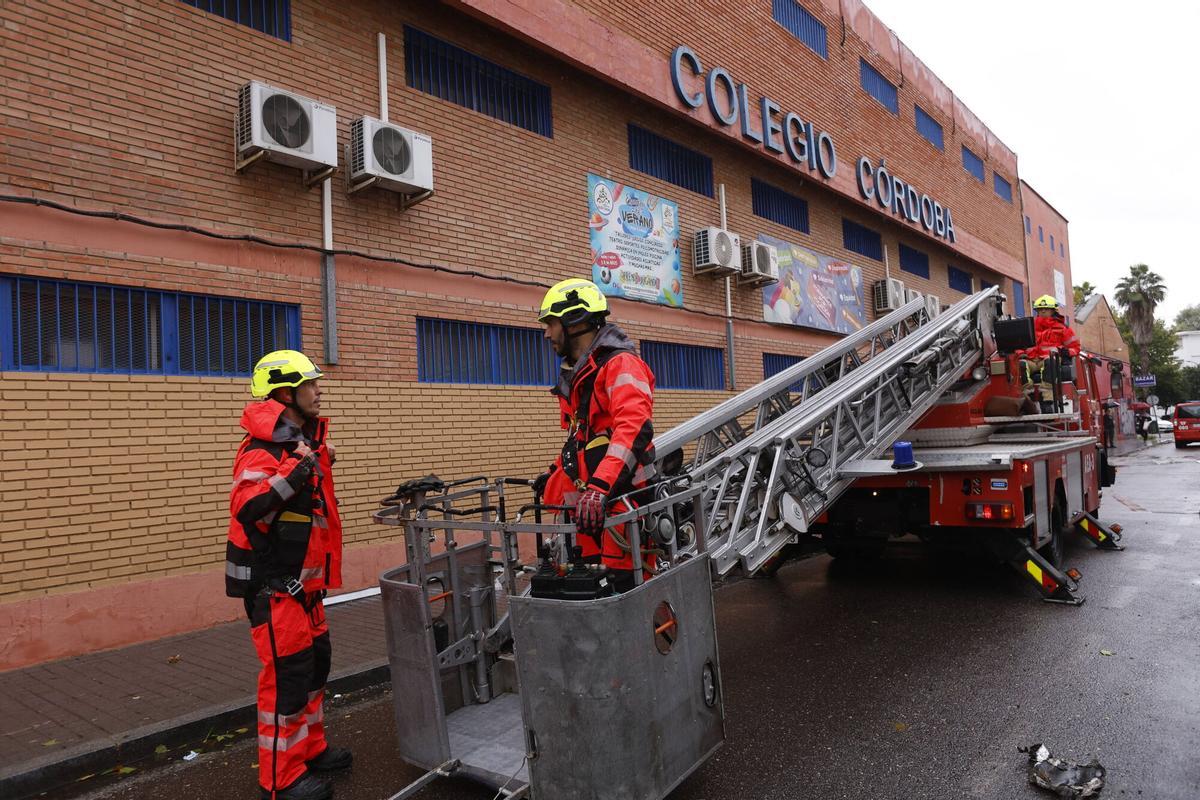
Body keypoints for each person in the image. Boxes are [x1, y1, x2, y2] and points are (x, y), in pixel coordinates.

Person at [225, 350, 351, 800]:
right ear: (285, 393)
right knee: (286, 684)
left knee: (314, 672)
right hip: (276, 591)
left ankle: (310, 752)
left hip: (306, 591)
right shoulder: (264, 449)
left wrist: (314, 458)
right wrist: (298, 473)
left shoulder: (298, 444)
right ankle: (280, 780)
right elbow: (249, 506)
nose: (319, 391)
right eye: (311, 385)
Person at [534, 278, 658, 592]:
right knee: (588, 588)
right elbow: (582, 439)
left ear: (574, 321)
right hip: (594, 512)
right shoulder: (580, 374)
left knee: (627, 592)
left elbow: (633, 429)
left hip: (622, 505)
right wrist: (552, 474)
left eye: (551, 323)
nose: (546, 333)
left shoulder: (620, 364)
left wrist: (599, 490)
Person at [1020, 295, 1081, 412]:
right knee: (1021, 365)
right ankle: (1029, 396)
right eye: (1040, 309)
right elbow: (1018, 345)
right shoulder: (1029, 328)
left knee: (1050, 362)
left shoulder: (1063, 329)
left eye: (1046, 308)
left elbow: (1076, 348)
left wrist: (1067, 352)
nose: (1043, 311)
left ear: (1054, 310)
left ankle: (1047, 400)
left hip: (1049, 359)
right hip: (1031, 360)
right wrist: (1021, 353)